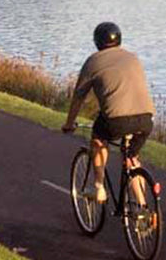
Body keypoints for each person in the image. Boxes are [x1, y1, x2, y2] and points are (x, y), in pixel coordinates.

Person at [62, 22, 156, 204]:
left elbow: (78, 96)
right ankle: (143, 206)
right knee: (131, 157)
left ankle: (98, 188)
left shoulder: (93, 61)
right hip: (146, 119)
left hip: (116, 121)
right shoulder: (133, 57)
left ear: (97, 42)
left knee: (98, 139)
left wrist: (69, 123)